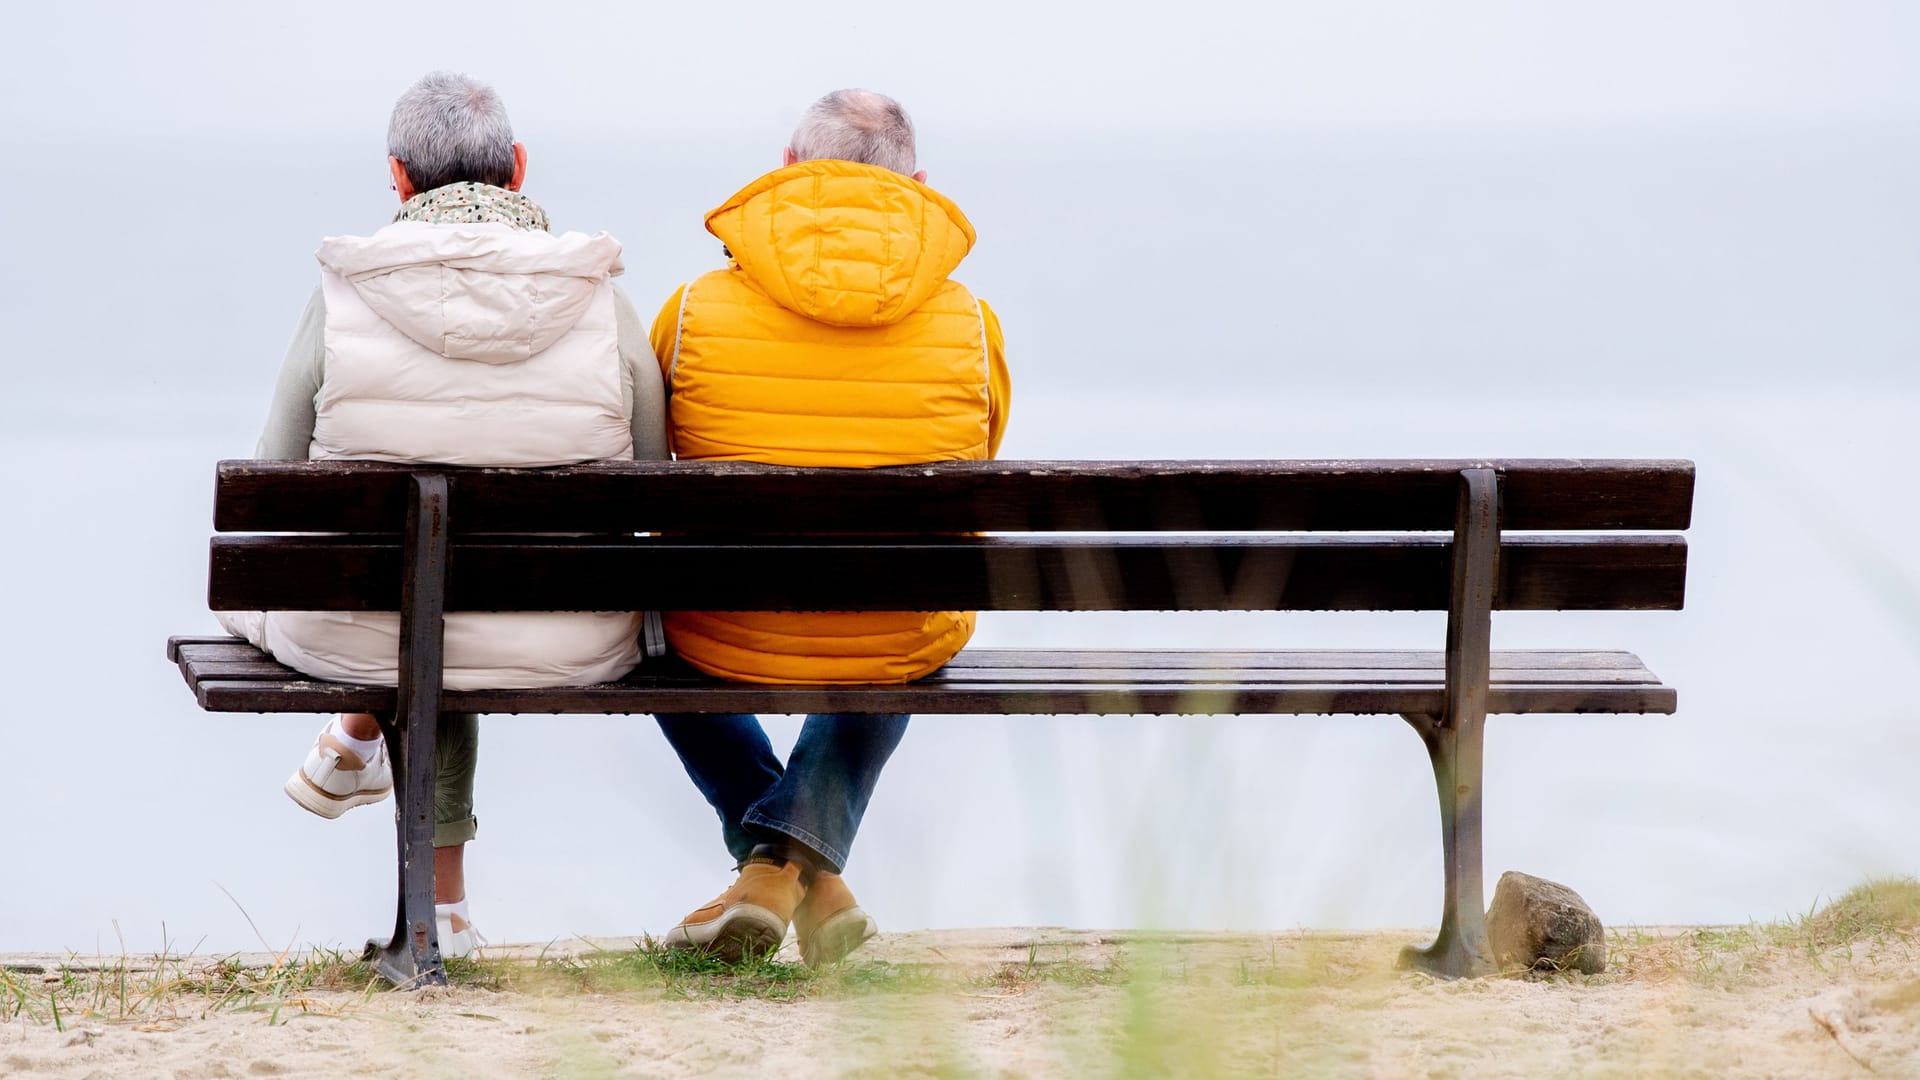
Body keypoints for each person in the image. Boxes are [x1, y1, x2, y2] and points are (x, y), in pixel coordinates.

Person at [218, 71, 667, 957]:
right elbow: (655, 481)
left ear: (396, 177)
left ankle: (356, 744)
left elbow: (273, 479)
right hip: (572, 637)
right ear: (520, 168)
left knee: (419, 584)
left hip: (361, 634)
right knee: (445, 578)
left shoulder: (342, 296)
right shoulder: (600, 300)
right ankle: (440, 898)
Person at [649, 89, 1011, 966]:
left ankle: (771, 871)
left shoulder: (692, 309)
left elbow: (652, 470)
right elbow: (983, 453)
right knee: (897, 624)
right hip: (892, 630)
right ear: (917, 186)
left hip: (722, 633)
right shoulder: (970, 322)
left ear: (786, 169)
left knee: (649, 629)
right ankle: (807, 868)